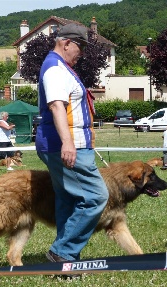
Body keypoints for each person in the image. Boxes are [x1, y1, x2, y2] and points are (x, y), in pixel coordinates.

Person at [35, 23, 109, 264]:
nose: (82, 53)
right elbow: (56, 106)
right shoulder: (56, 69)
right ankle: (63, 252)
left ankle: (66, 259)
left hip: (66, 144)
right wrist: (68, 143)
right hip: (68, 145)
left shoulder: (60, 67)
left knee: (68, 199)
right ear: (67, 43)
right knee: (95, 197)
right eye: (81, 47)